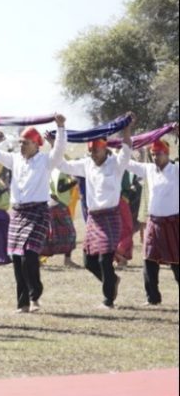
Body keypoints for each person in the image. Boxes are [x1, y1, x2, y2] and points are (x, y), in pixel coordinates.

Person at [0, 117, 67, 313]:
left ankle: (35, 296)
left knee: (30, 255)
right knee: (16, 258)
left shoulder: (45, 161)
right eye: (20, 142)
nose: (21, 145)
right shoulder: (14, 159)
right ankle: (22, 303)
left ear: (36, 144)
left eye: (25, 142)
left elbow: (59, 150)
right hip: (18, 212)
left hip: (38, 211)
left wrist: (60, 126)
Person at [58, 121, 132, 309]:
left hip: (111, 216)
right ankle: (112, 280)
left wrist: (126, 127)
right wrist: (55, 141)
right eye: (90, 151)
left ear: (104, 149)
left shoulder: (116, 163)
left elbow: (127, 148)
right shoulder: (86, 164)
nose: (92, 155)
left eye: (95, 151)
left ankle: (108, 300)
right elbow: (62, 164)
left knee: (104, 258)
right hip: (94, 218)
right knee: (89, 262)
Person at [125, 138, 178, 306]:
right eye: (153, 154)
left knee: (177, 263)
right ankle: (153, 298)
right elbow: (126, 162)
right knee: (149, 260)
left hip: (173, 223)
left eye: (159, 154)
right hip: (153, 222)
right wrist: (126, 142)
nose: (155, 157)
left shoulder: (176, 170)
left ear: (167, 154)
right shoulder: (148, 169)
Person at [44, 166, 80, 267]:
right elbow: (60, 188)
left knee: (50, 234)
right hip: (59, 204)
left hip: (51, 203)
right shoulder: (60, 171)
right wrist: (74, 181)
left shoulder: (51, 170)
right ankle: (67, 260)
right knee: (70, 232)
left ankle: (38, 259)